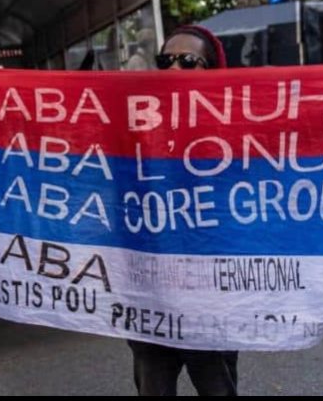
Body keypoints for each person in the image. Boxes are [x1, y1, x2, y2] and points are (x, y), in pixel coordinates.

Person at [128, 25, 239, 396]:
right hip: (151, 299)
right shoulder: (135, 125)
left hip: (210, 300)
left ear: (212, 70)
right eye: (166, 61)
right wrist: (2, 87)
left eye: (189, 61)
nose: (174, 69)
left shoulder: (238, 129)